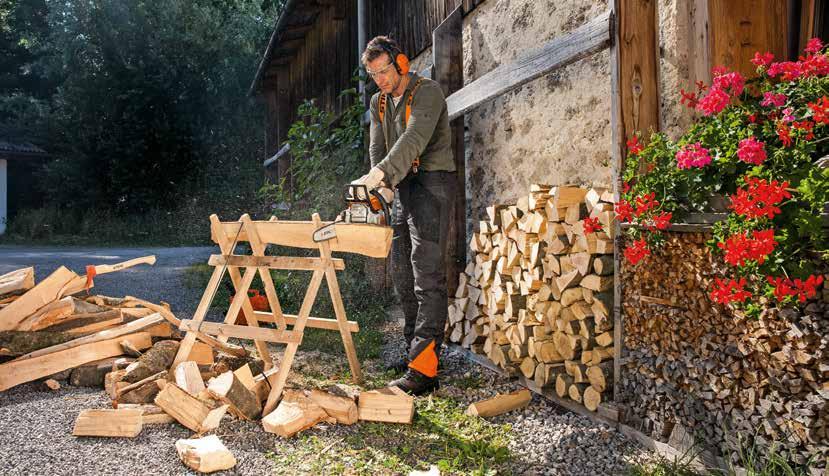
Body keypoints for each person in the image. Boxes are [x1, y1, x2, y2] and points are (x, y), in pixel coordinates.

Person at [352, 36, 456, 395]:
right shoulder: (379, 102)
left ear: (400, 62)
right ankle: (415, 354)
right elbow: (377, 147)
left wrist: (381, 175)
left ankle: (425, 371)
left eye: (384, 71)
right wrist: (377, 188)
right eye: (373, 74)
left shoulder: (427, 92)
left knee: (427, 274)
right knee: (401, 271)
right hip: (403, 186)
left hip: (432, 184)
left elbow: (413, 139)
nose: (380, 79)